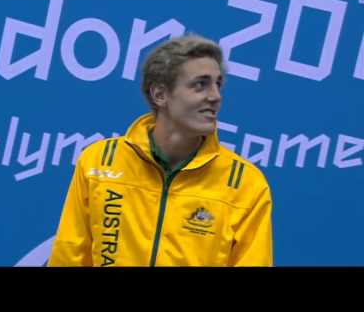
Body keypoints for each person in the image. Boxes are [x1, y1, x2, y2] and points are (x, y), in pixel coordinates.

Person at [48, 34, 273, 267]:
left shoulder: (245, 183)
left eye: (218, 84)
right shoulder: (100, 162)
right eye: (200, 84)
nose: (215, 96)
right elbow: (69, 256)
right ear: (160, 95)